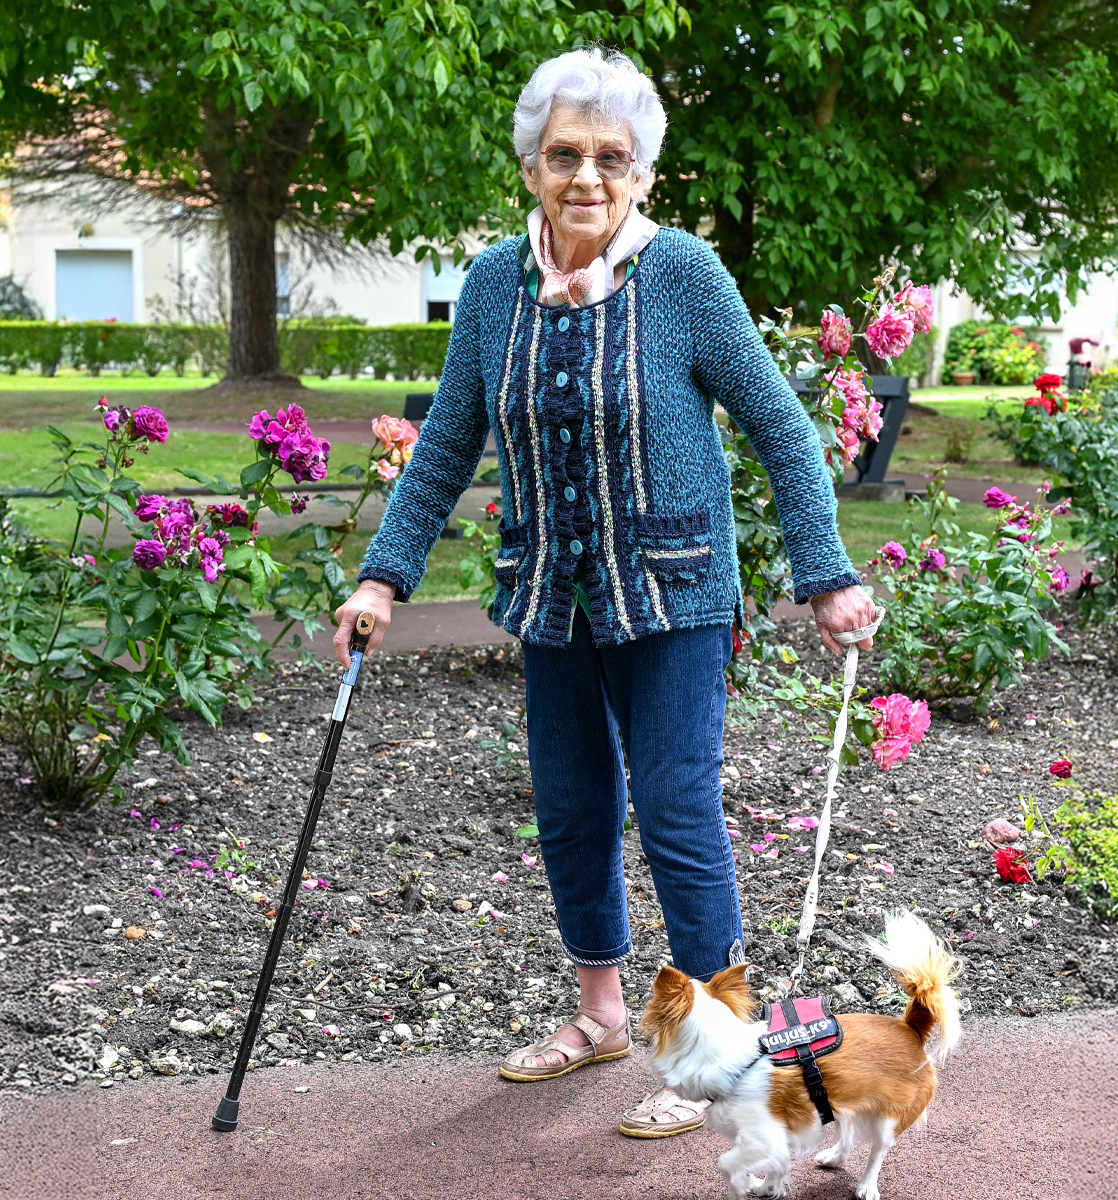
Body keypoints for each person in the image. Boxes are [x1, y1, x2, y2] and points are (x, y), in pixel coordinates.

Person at [331, 47, 877, 1140]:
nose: (586, 176)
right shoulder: (493, 286)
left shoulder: (684, 277)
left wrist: (825, 574)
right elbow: (445, 446)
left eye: (610, 158)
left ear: (643, 175)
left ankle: (718, 1049)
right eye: (564, 155)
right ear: (531, 167)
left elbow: (780, 427)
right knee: (573, 806)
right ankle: (602, 1016)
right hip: (553, 597)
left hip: (677, 595)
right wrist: (381, 578)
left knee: (676, 808)